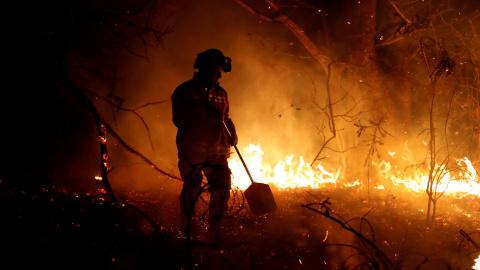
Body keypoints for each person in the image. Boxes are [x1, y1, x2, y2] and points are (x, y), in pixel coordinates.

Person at [171, 48, 238, 236]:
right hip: (191, 151)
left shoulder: (221, 93)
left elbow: (225, 117)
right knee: (193, 188)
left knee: (222, 190)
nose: (220, 76)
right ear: (208, 69)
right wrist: (205, 112)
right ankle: (186, 230)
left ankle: (215, 232)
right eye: (218, 70)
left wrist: (232, 131)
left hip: (218, 152)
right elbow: (179, 119)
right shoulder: (184, 91)